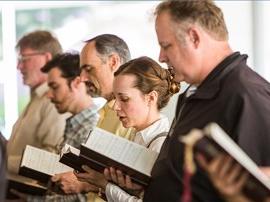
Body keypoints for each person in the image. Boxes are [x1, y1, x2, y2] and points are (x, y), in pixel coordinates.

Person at [129, 1, 270, 202]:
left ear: (194, 37)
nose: (161, 57)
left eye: (166, 45)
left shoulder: (248, 97)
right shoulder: (195, 91)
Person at [74, 56, 179, 202]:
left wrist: (104, 184)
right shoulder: (137, 136)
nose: (116, 107)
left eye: (124, 99)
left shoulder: (161, 146)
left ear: (150, 98)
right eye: (115, 98)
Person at [55, 34, 136, 202]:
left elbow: (135, 186)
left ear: (113, 62)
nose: (83, 78)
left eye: (89, 69)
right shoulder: (104, 112)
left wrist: (86, 184)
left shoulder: (132, 116)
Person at [19, 52, 106, 202]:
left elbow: (82, 196)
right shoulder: (75, 124)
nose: (49, 95)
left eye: (55, 87)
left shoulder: (93, 129)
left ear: (77, 83)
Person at [7, 30, 69, 175]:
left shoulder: (54, 101)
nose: (19, 66)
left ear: (47, 59)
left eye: (24, 59)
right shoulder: (37, 97)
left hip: (31, 196)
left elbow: (49, 159)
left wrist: (4, 163)